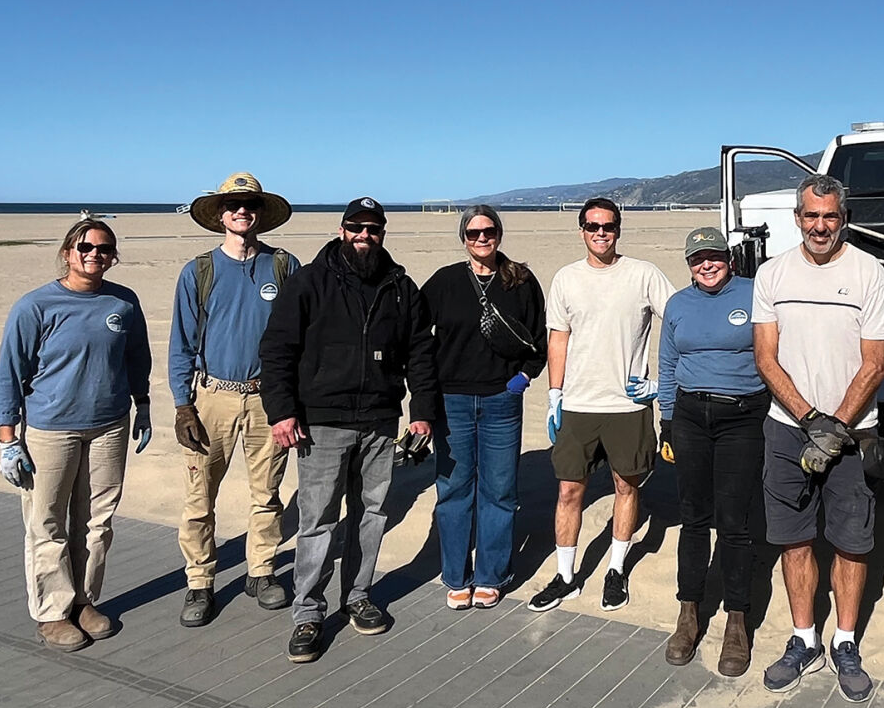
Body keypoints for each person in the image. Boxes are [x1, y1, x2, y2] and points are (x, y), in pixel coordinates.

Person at [259, 196, 440, 663]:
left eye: (373, 229)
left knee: (372, 514)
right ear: (342, 230)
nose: (365, 235)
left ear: (382, 233)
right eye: (356, 227)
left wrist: (421, 409)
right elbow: (277, 350)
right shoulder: (308, 283)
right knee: (318, 520)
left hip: (380, 420)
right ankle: (308, 612)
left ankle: (358, 594)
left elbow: (421, 351)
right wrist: (282, 412)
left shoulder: (400, 286)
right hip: (321, 422)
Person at [753, 175, 884, 703]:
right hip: (789, 429)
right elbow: (766, 356)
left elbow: (875, 363)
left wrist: (834, 428)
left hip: (853, 434)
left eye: (829, 217)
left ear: (843, 219)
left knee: (851, 540)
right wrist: (811, 418)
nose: (820, 226)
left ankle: (845, 642)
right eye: (810, 216)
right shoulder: (772, 273)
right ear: (796, 218)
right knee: (794, 537)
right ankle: (803, 637)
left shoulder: (867, 273)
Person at [0, 219, 153, 651]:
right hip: (51, 430)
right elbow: (10, 372)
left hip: (109, 425)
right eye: (85, 246)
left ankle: (84, 601)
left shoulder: (123, 302)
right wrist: (9, 439)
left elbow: (137, 356)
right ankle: (51, 612)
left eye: (104, 249)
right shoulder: (36, 306)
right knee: (47, 523)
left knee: (97, 522)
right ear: (67, 252)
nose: (94, 254)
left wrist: (144, 404)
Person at [531, 196, 674, 612]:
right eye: (592, 226)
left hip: (628, 407)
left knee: (625, 487)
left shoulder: (643, 274)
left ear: (618, 230)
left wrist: (660, 383)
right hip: (577, 404)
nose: (600, 233)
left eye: (608, 226)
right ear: (581, 230)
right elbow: (558, 337)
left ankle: (615, 569)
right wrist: (554, 394)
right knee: (569, 490)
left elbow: (679, 321)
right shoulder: (566, 278)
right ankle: (565, 575)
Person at [169, 172, 297, 627]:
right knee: (199, 495)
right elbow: (181, 343)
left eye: (250, 205)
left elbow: (301, 337)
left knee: (267, 493)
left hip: (268, 399)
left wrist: (294, 401)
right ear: (221, 215)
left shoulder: (284, 266)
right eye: (233, 205)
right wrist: (183, 405)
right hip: (213, 397)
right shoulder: (198, 271)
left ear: (261, 214)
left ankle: (261, 571)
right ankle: (199, 581)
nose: (242, 211)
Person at [422, 205, 548, 610]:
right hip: (452, 401)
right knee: (455, 489)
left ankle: (491, 575)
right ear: (463, 238)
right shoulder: (445, 282)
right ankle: (456, 574)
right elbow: (416, 333)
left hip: (501, 400)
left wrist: (523, 378)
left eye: (489, 231)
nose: (482, 238)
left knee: (499, 492)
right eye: (474, 233)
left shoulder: (521, 281)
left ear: (499, 234)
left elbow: (540, 338)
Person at [657, 225, 767, 676]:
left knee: (735, 523)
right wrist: (665, 420)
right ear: (688, 265)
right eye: (698, 258)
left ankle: (737, 621)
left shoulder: (756, 294)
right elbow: (666, 363)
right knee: (693, 517)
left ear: (730, 259)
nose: (707, 264)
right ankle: (689, 612)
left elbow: (774, 352)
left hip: (742, 415)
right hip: (688, 417)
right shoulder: (678, 304)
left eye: (715, 256)